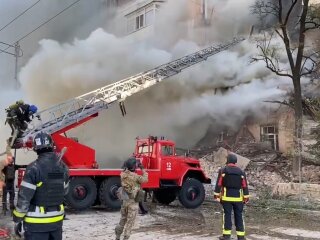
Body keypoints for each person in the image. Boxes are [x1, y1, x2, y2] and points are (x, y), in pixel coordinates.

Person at [13, 132, 69, 240]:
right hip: (56, 222)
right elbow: (65, 191)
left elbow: (24, 198)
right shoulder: (63, 167)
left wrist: (17, 219)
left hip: (36, 226)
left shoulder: (33, 168)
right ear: (52, 145)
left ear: (35, 148)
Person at [214, 154, 249, 240]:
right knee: (239, 216)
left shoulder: (223, 170)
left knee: (227, 216)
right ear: (235, 161)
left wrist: (216, 195)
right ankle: (241, 236)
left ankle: (226, 236)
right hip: (238, 198)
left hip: (226, 198)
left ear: (228, 161)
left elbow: (219, 183)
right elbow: (244, 185)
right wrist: (246, 197)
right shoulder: (241, 172)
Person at [115, 157, 148, 240]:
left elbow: (125, 169)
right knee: (130, 223)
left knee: (122, 220)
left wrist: (128, 165)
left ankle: (117, 237)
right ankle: (126, 238)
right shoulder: (136, 177)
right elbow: (145, 179)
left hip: (125, 202)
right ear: (134, 167)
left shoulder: (123, 175)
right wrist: (142, 169)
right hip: (133, 203)